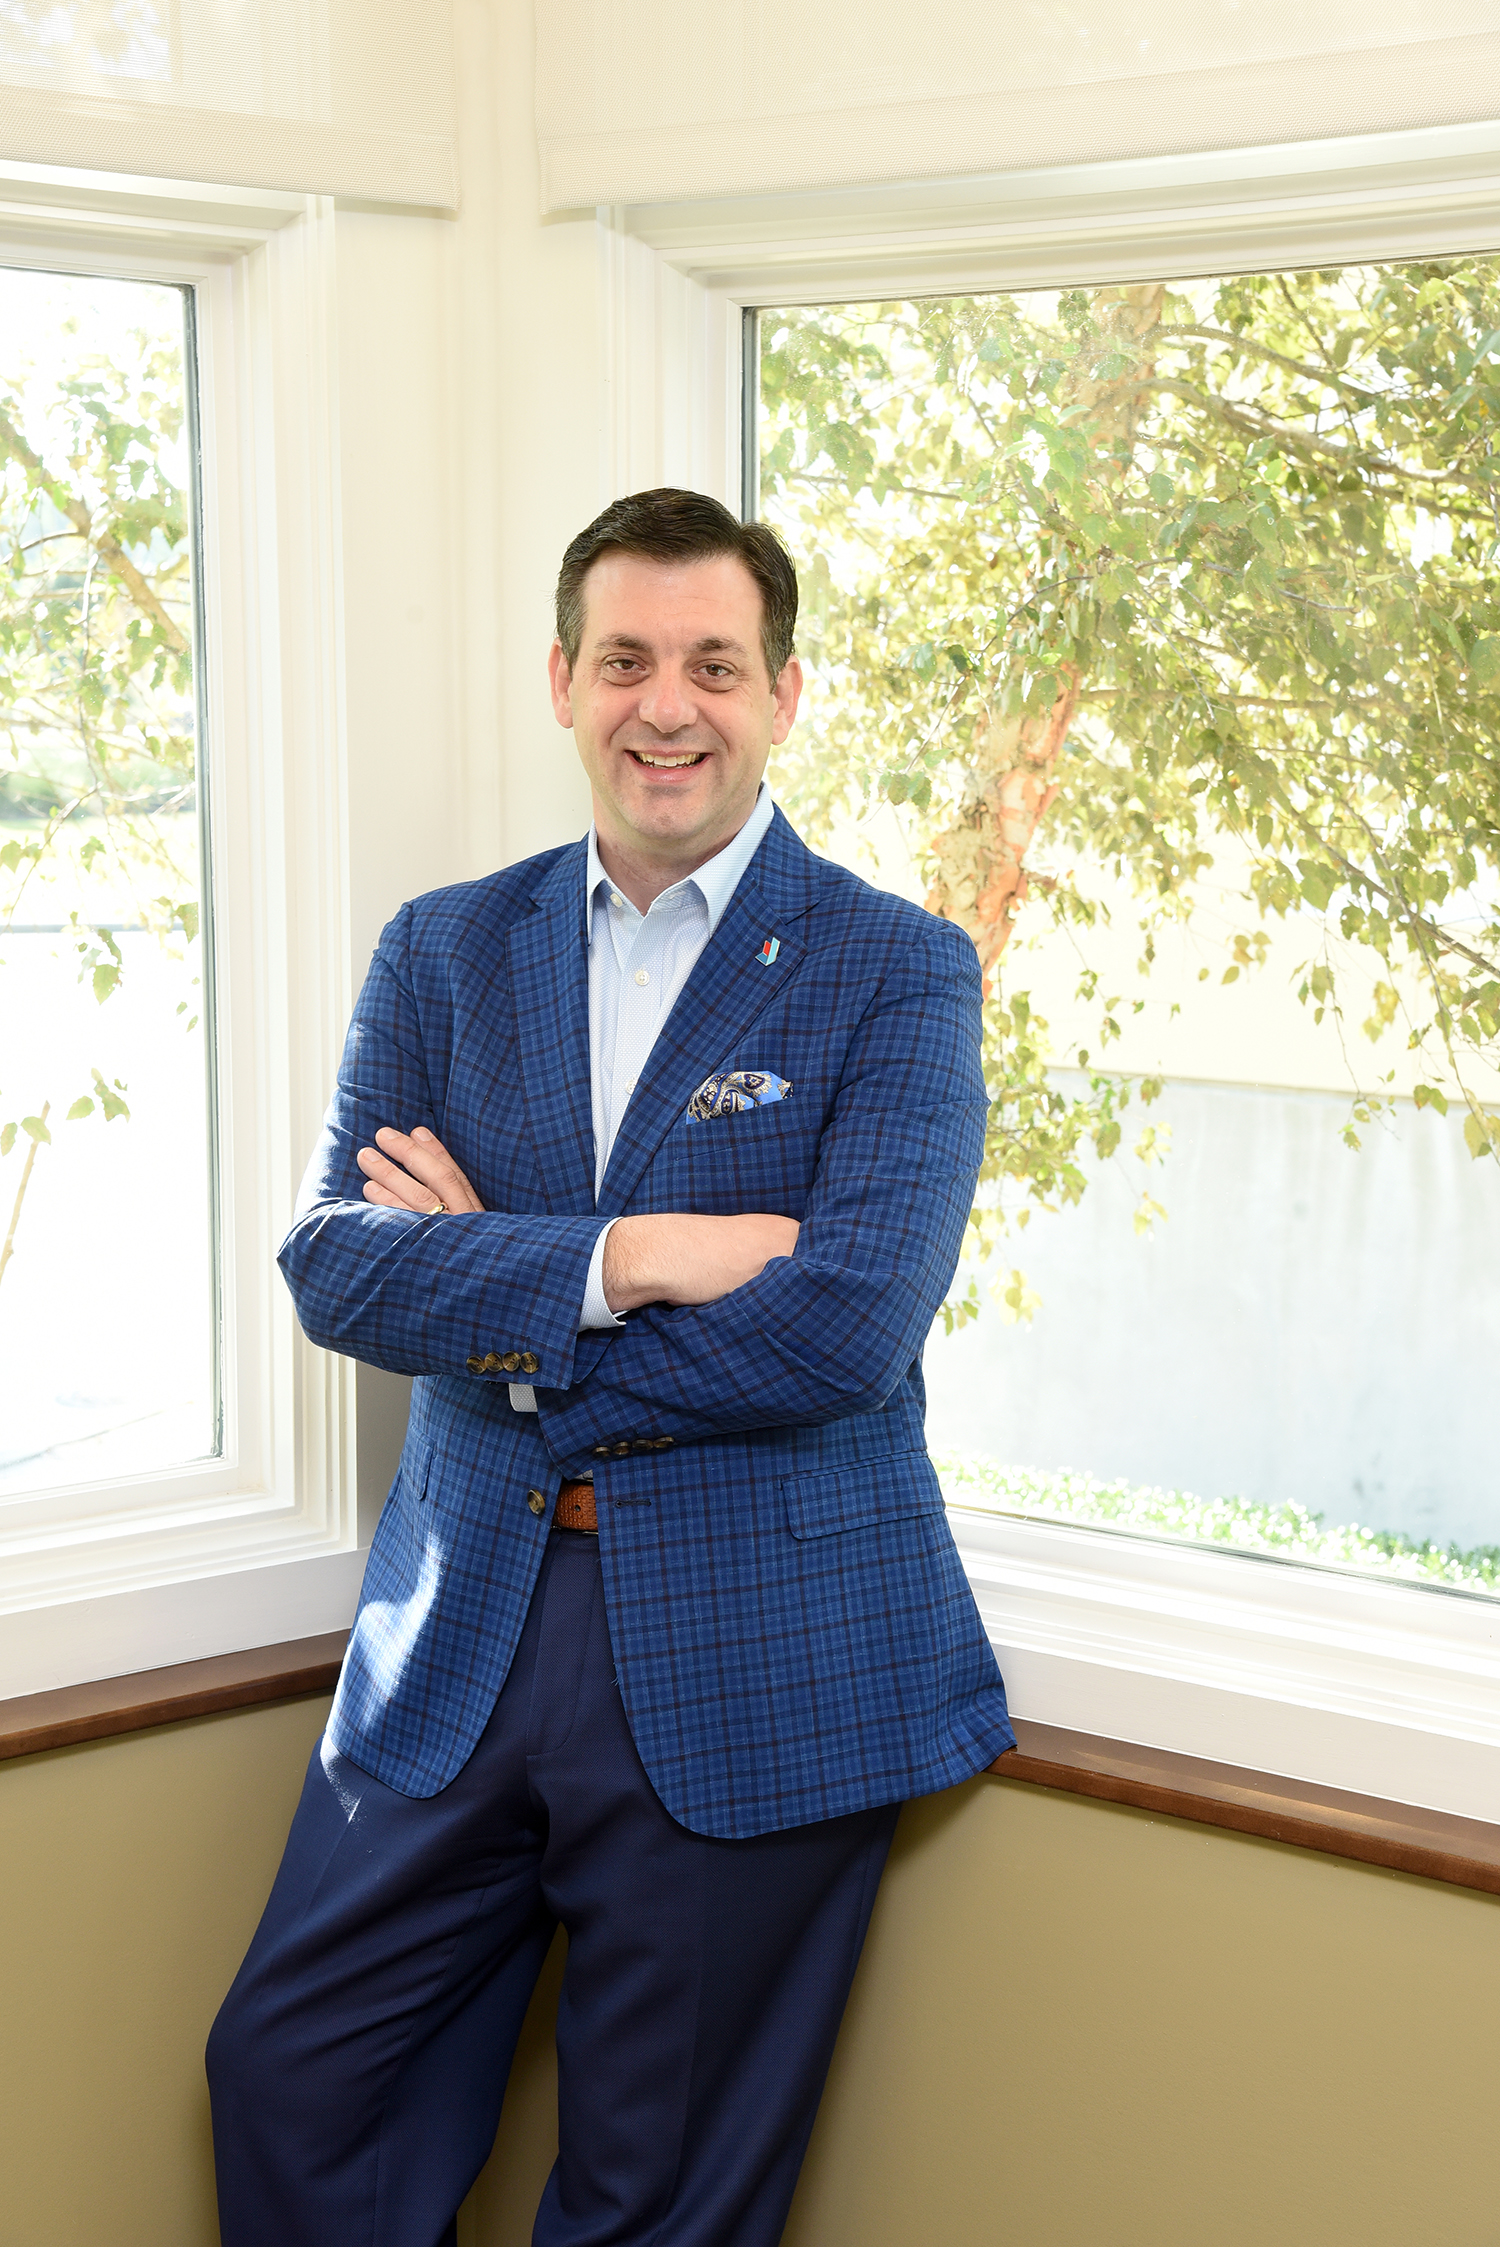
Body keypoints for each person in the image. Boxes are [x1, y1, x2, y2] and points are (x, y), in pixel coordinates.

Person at [206, 487, 1015, 2247]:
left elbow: (847, 1325)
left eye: (716, 664)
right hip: (459, 1623)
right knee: (290, 2075)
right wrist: (625, 1259)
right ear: (562, 681)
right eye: (628, 659)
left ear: (783, 694)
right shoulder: (442, 948)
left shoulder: (897, 971)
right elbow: (335, 1268)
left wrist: (487, 1299)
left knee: (658, 2195)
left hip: (754, 1645)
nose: (669, 706)